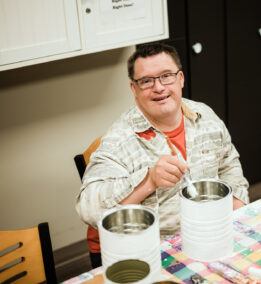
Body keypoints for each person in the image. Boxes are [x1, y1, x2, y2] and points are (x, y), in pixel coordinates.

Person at [75, 43, 249, 268]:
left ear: (181, 79)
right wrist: (149, 181)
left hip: (211, 236)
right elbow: (87, 208)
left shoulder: (205, 116)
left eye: (166, 76)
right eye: (146, 81)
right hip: (155, 255)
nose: (158, 87)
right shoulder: (119, 139)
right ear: (133, 89)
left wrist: (237, 218)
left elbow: (229, 165)